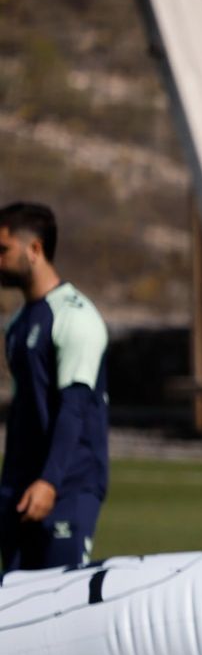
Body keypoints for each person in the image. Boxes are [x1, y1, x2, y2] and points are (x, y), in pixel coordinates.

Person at [0, 202, 109, 573]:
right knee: (13, 611)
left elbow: (74, 409)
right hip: (18, 491)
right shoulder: (16, 325)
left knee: (61, 610)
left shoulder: (75, 317)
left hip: (67, 487)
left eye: (3, 250)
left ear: (34, 249)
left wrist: (49, 481)